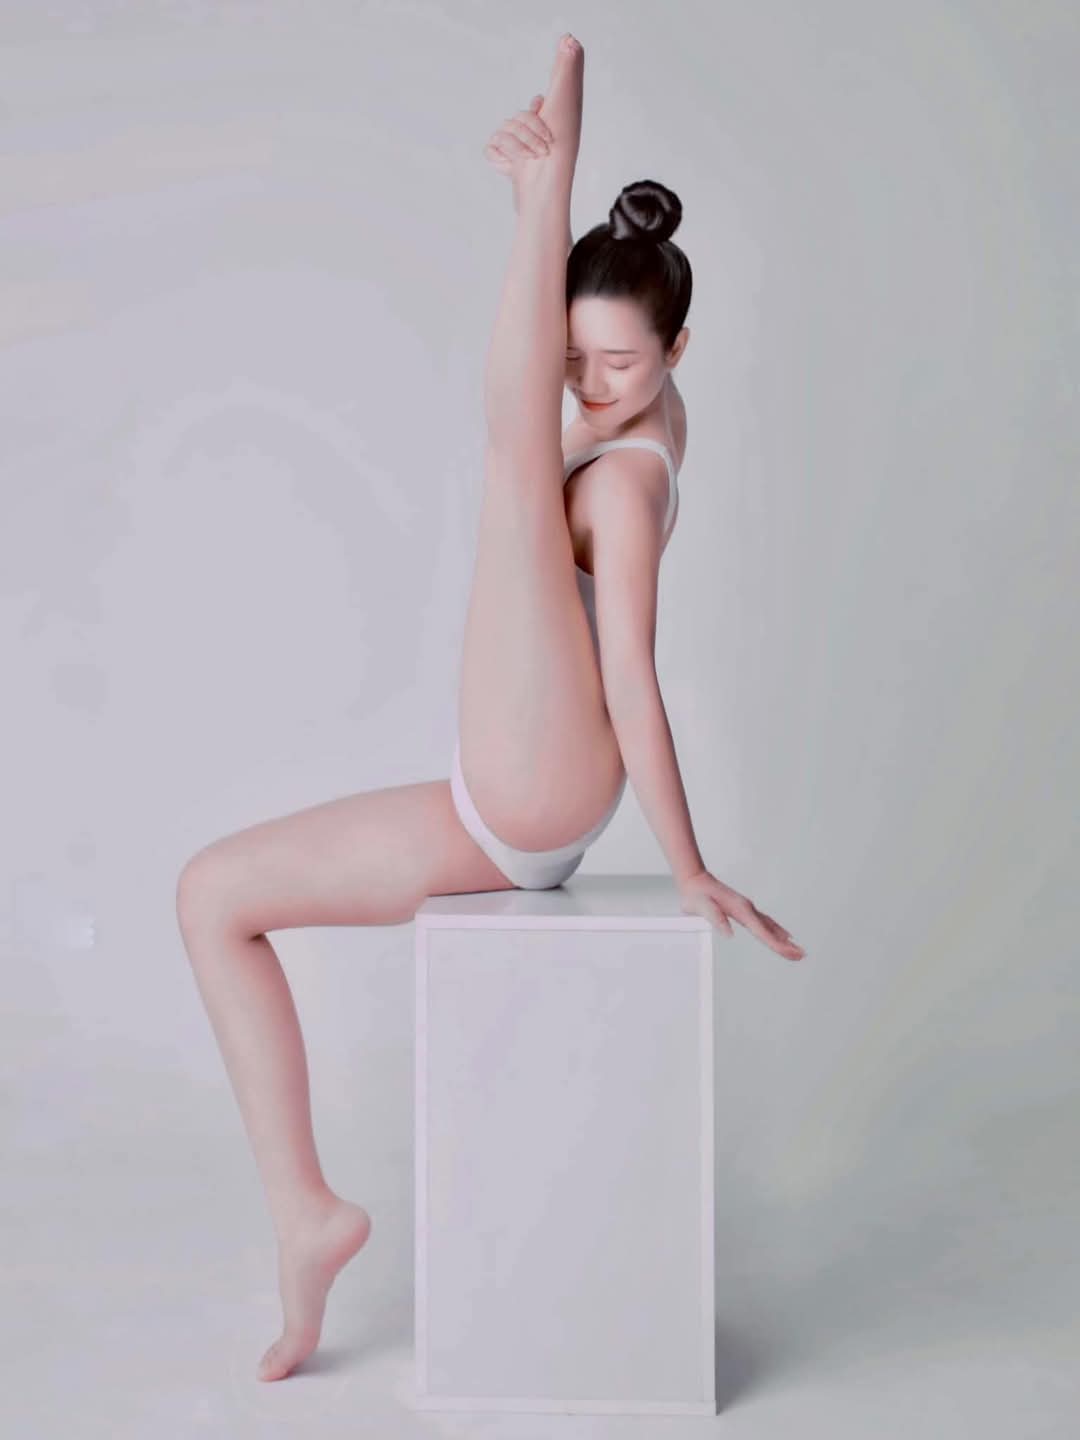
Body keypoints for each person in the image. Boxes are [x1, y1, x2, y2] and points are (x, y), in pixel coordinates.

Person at [174, 33, 805, 1385]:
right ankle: (305, 1214)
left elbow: (632, 674)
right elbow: (577, 370)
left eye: (622, 364)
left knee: (518, 465)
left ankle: (543, 190)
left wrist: (689, 865)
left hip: (553, 774)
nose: (595, 384)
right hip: (501, 798)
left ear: (679, 350)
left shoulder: (623, 485)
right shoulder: (642, 400)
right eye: (576, 356)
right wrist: (566, 172)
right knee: (212, 893)